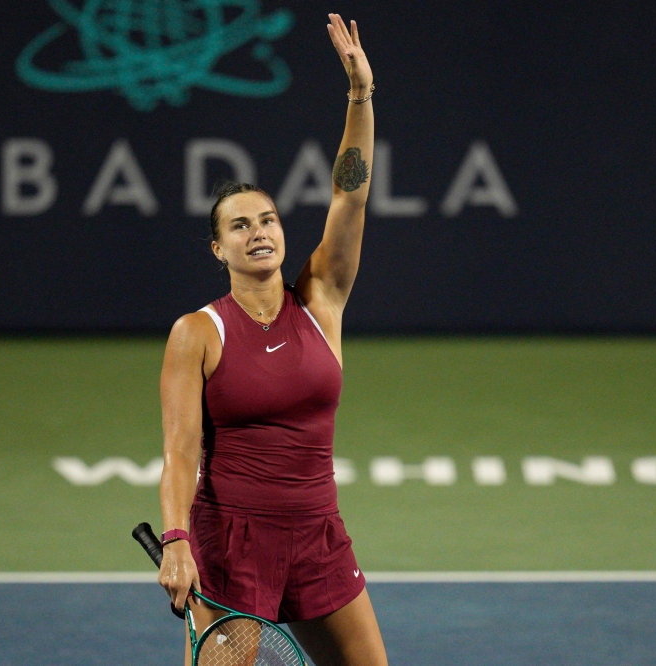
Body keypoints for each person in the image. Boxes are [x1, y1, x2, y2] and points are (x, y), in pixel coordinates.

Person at [157, 13, 388, 666]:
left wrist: (360, 96)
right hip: (232, 546)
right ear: (217, 246)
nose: (258, 231)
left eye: (268, 218)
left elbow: (351, 197)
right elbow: (180, 452)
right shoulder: (197, 333)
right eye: (239, 225)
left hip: (319, 536)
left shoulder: (321, 299)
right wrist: (177, 539)